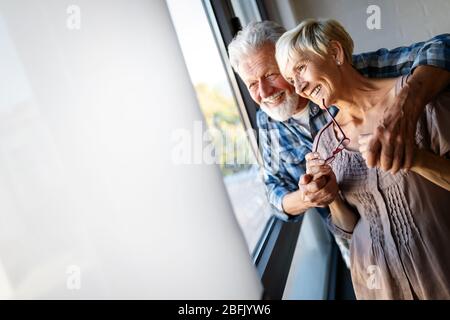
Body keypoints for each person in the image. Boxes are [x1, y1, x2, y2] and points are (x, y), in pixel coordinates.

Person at [227, 21, 450, 266]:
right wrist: (309, 197)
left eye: (270, 74)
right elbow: (273, 191)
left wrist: (404, 106)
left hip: (432, 237)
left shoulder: (354, 71)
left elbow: (443, 47)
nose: (264, 92)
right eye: (251, 84)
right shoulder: (266, 122)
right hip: (363, 253)